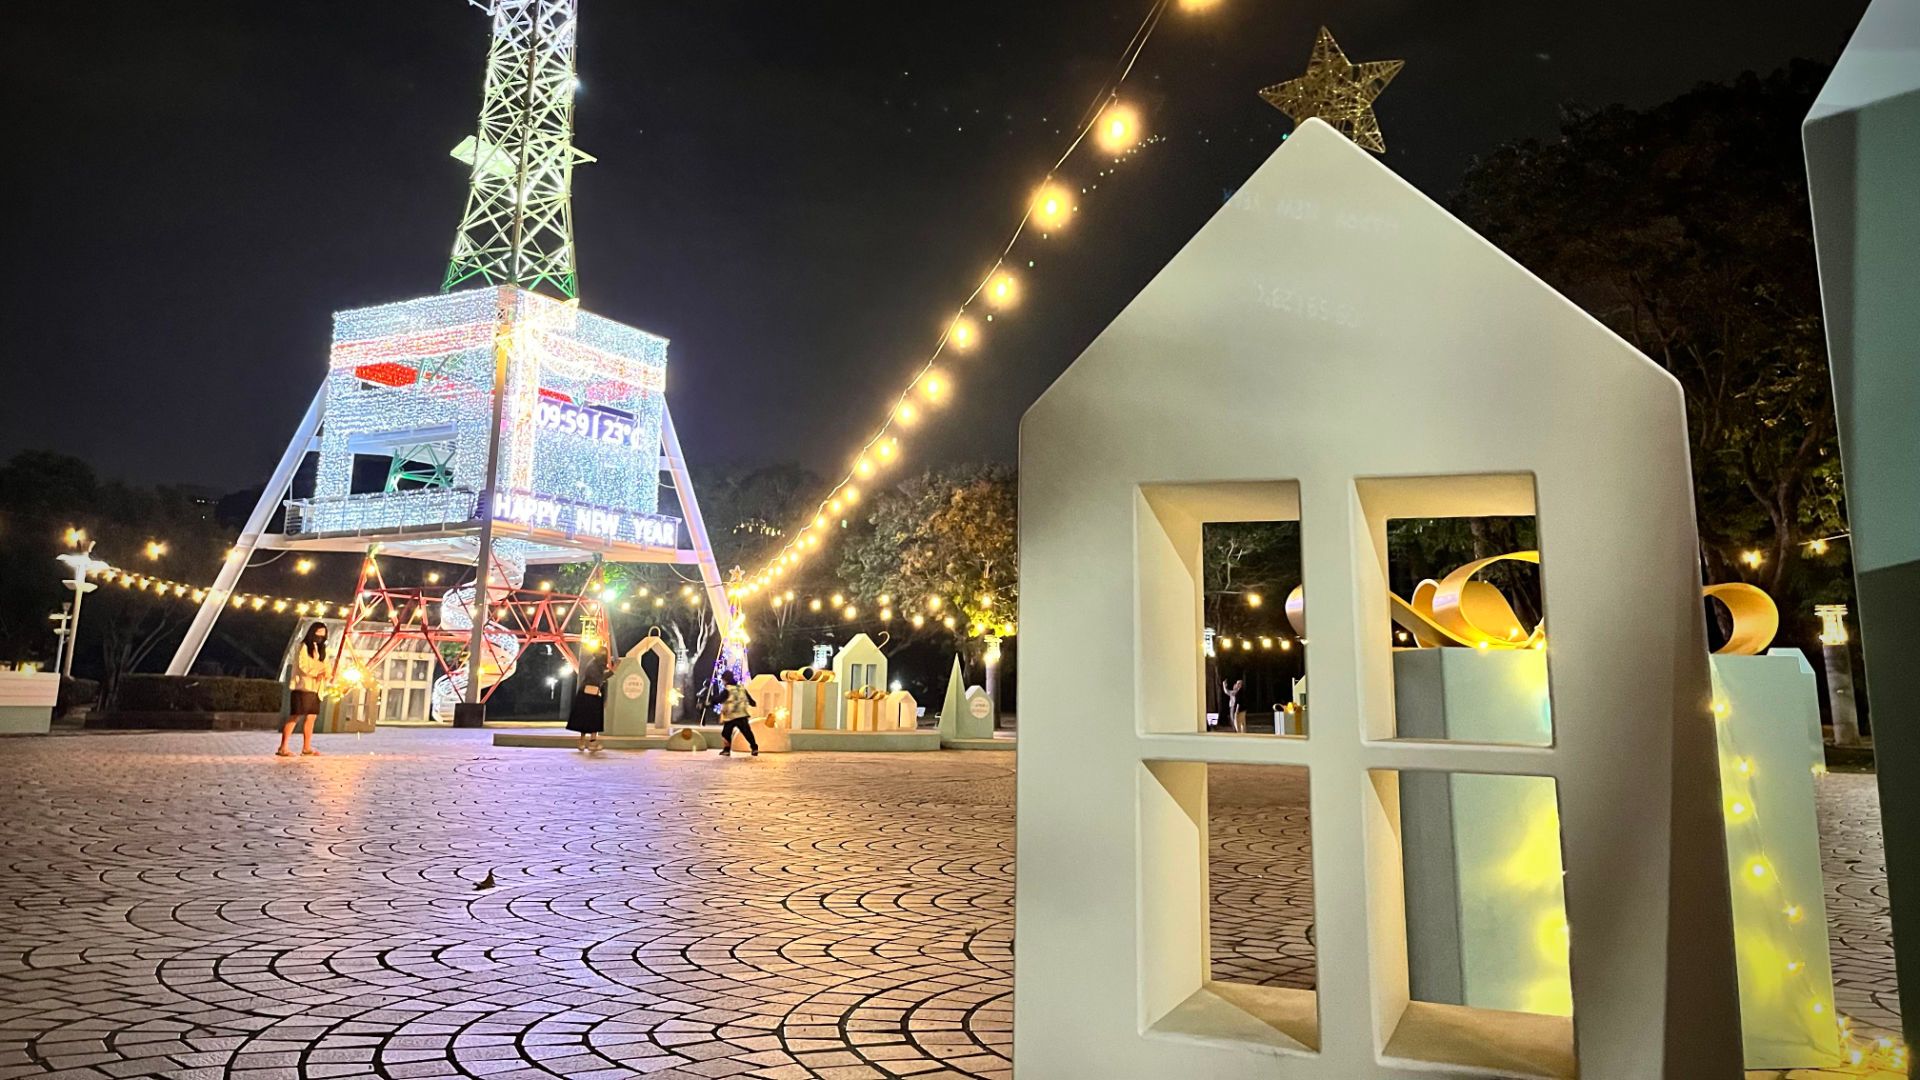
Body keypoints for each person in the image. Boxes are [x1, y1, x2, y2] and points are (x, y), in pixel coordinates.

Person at [281, 622, 329, 757]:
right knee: (295, 716)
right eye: (318, 634)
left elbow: (326, 666)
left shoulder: (323, 650)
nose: (320, 637)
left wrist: (327, 674)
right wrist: (315, 673)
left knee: (311, 717)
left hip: (317, 688)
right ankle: (283, 747)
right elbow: (302, 665)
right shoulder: (303, 647)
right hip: (303, 687)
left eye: (323, 635)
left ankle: (306, 747)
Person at [567, 652, 608, 752]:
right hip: (593, 695)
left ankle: (582, 742)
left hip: (585, 694)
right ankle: (592, 743)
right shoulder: (597, 665)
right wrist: (614, 670)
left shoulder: (592, 664)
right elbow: (598, 679)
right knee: (594, 719)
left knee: (585, 718)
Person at [717, 670, 758, 757]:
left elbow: (719, 699)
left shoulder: (727, 690)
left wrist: (709, 703)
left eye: (723, 680)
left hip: (730, 716)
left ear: (726, 680)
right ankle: (754, 748)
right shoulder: (741, 688)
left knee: (726, 733)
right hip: (742, 715)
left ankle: (726, 750)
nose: (722, 682)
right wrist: (753, 703)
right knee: (747, 732)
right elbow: (748, 698)